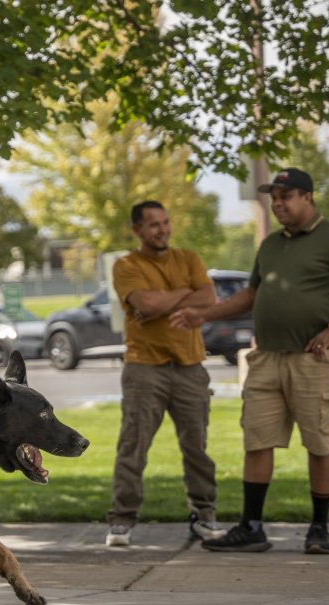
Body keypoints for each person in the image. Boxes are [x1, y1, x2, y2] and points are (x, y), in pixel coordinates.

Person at [170, 168, 329, 554]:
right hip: (266, 359)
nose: (278, 204)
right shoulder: (271, 244)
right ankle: (252, 526)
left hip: (313, 360)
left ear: (308, 197)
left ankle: (319, 528)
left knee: (319, 442)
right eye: (274, 198)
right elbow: (251, 295)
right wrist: (203, 315)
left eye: (286, 196)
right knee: (256, 440)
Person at [105, 201, 225, 547]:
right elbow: (146, 305)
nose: (162, 229)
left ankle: (204, 516)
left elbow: (209, 297)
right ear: (137, 231)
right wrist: (185, 295)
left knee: (196, 447)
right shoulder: (126, 265)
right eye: (154, 224)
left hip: (190, 367)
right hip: (145, 368)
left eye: (165, 222)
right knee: (134, 445)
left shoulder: (188, 258)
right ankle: (121, 520)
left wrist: (167, 299)